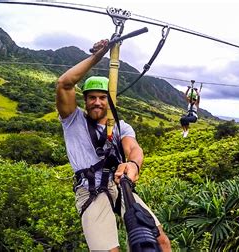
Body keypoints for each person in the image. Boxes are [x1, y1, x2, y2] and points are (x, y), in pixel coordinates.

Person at [55, 39, 171, 251]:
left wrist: (134, 165)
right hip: (89, 189)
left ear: (110, 100)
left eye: (102, 97)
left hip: (119, 184)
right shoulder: (73, 120)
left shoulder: (120, 126)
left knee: (159, 240)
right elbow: (64, 84)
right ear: (85, 100)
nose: (97, 102)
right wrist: (98, 56)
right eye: (92, 98)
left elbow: (133, 148)